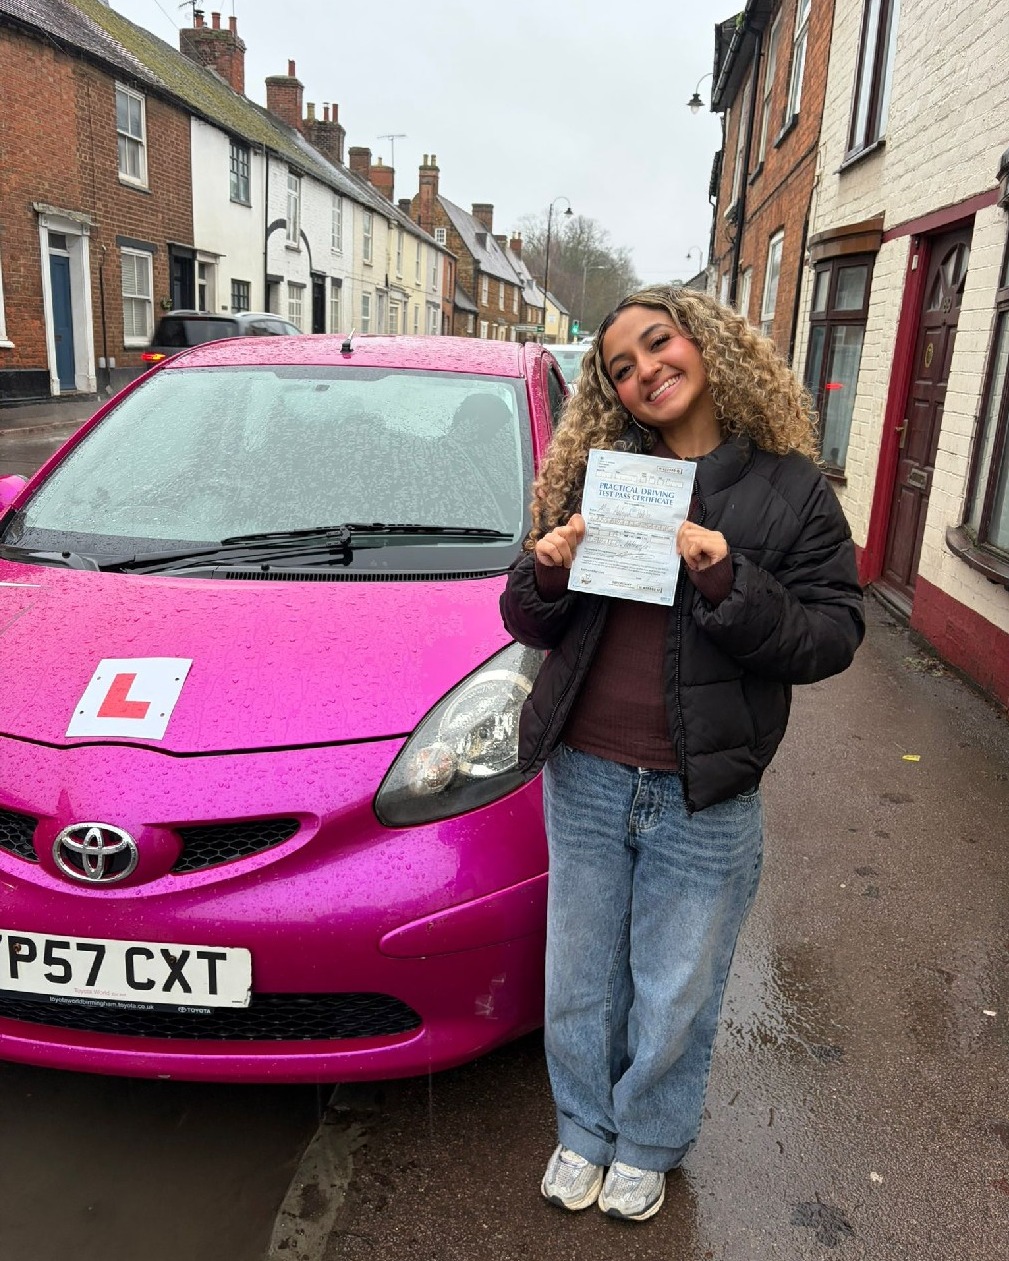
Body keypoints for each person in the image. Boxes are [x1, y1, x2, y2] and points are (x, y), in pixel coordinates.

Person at [500, 285, 864, 1222]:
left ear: (703, 344)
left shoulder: (789, 488)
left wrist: (728, 583)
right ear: (611, 391)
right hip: (585, 769)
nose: (645, 372)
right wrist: (545, 571)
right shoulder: (604, 476)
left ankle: (647, 1141)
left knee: (676, 987)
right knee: (579, 976)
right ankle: (583, 1129)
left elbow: (832, 633)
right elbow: (525, 615)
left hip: (704, 788)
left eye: (658, 344)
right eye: (621, 367)